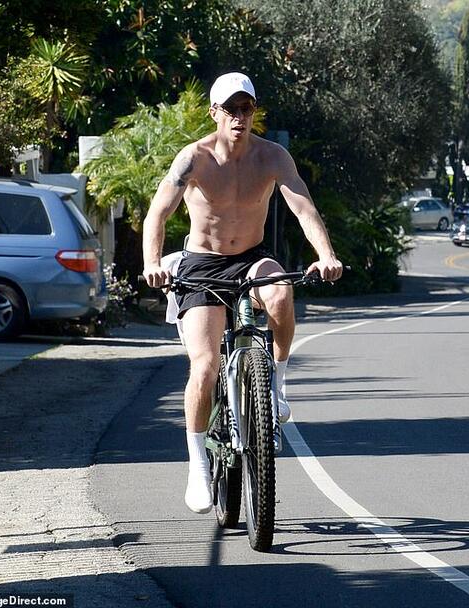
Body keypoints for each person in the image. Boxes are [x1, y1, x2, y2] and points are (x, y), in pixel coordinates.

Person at [142, 72, 343, 514]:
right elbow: (157, 213)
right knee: (205, 365)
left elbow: (302, 206)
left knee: (280, 293)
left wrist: (326, 255)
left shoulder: (272, 157)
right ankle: (198, 466)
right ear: (214, 112)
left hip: (251, 257)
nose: (239, 116)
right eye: (230, 109)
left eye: (246, 108)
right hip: (202, 264)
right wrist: (152, 264)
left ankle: (276, 386)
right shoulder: (193, 158)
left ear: (254, 111)